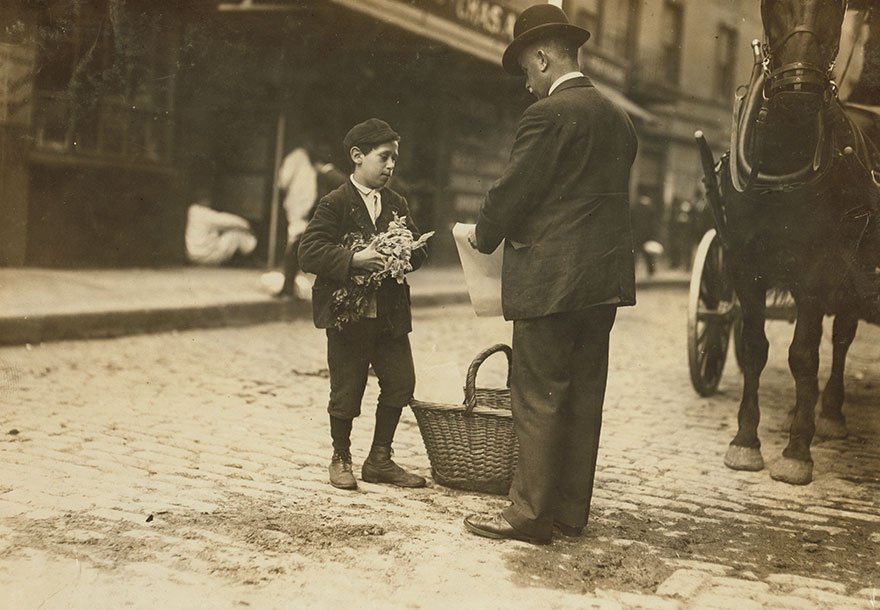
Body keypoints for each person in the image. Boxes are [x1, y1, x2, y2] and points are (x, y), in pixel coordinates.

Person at [464, 4, 638, 545]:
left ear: (542, 58)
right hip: (602, 284)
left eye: (526, 70)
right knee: (585, 393)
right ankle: (568, 511)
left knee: (538, 395)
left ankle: (528, 514)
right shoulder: (620, 118)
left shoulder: (546, 115)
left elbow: (514, 191)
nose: (527, 85)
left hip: (550, 281)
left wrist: (482, 234)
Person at [298, 118, 428, 491]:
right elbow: (309, 252)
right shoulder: (335, 202)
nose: (391, 166)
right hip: (349, 314)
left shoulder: (396, 203)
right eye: (384, 157)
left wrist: (403, 252)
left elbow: (419, 248)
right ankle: (341, 457)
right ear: (357, 156)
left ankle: (379, 459)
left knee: (401, 383)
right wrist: (354, 259)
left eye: (394, 159)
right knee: (347, 389)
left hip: (388, 314)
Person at [276, 144, 347, 298]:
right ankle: (288, 288)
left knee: (296, 249)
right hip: (325, 221)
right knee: (297, 249)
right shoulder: (333, 175)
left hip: (327, 222)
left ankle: (288, 288)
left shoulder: (327, 176)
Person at [185, 190, 257, 266]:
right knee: (236, 235)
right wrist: (247, 225)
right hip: (206, 256)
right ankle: (252, 258)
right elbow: (230, 221)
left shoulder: (191, 211)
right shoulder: (204, 213)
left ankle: (243, 258)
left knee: (226, 233)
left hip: (192, 256)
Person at [630, 195, 659, 276]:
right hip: (647, 234)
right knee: (648, 254)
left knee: (635, 253)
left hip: (637, 233)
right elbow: (653, 223)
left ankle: (632, 270)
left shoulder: (634, 208)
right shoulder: (650, 209)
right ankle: (651, 271)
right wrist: (653, 235)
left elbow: (632, 221)